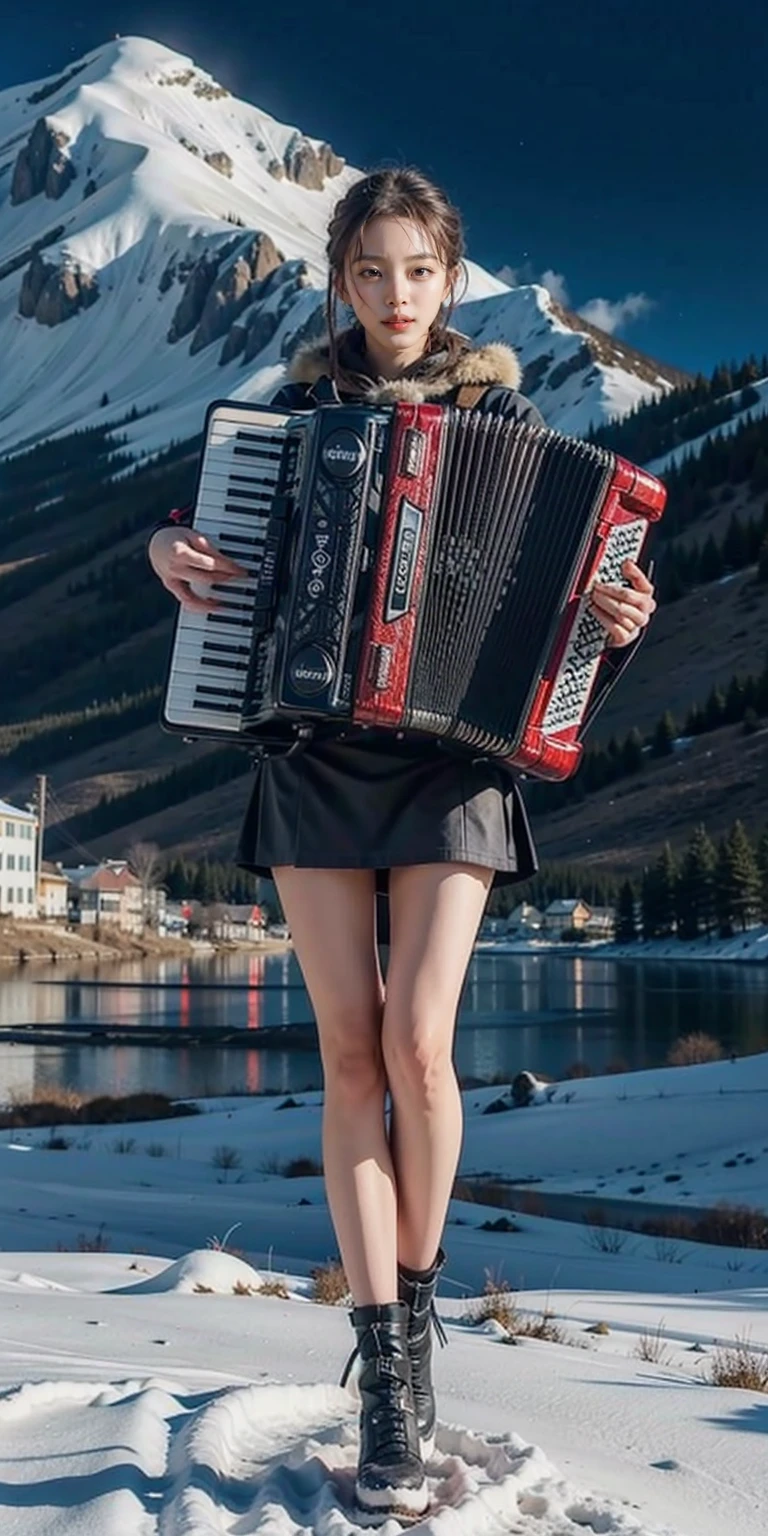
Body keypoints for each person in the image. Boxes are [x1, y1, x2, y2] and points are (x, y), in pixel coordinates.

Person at [148, 167, 656, 1522]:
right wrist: (167, 551)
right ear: (341, 279)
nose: (391, 296)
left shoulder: (507, 416)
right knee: (353, 1054)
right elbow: (223, 563)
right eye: (367, 272)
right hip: (316, 760)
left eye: (415, 270)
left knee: (424, 1051)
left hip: (454, 768)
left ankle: (417, 1314)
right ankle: (384, 1373)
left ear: (448, 274)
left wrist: (614, 623)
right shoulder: (291, 419)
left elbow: (565, 614)